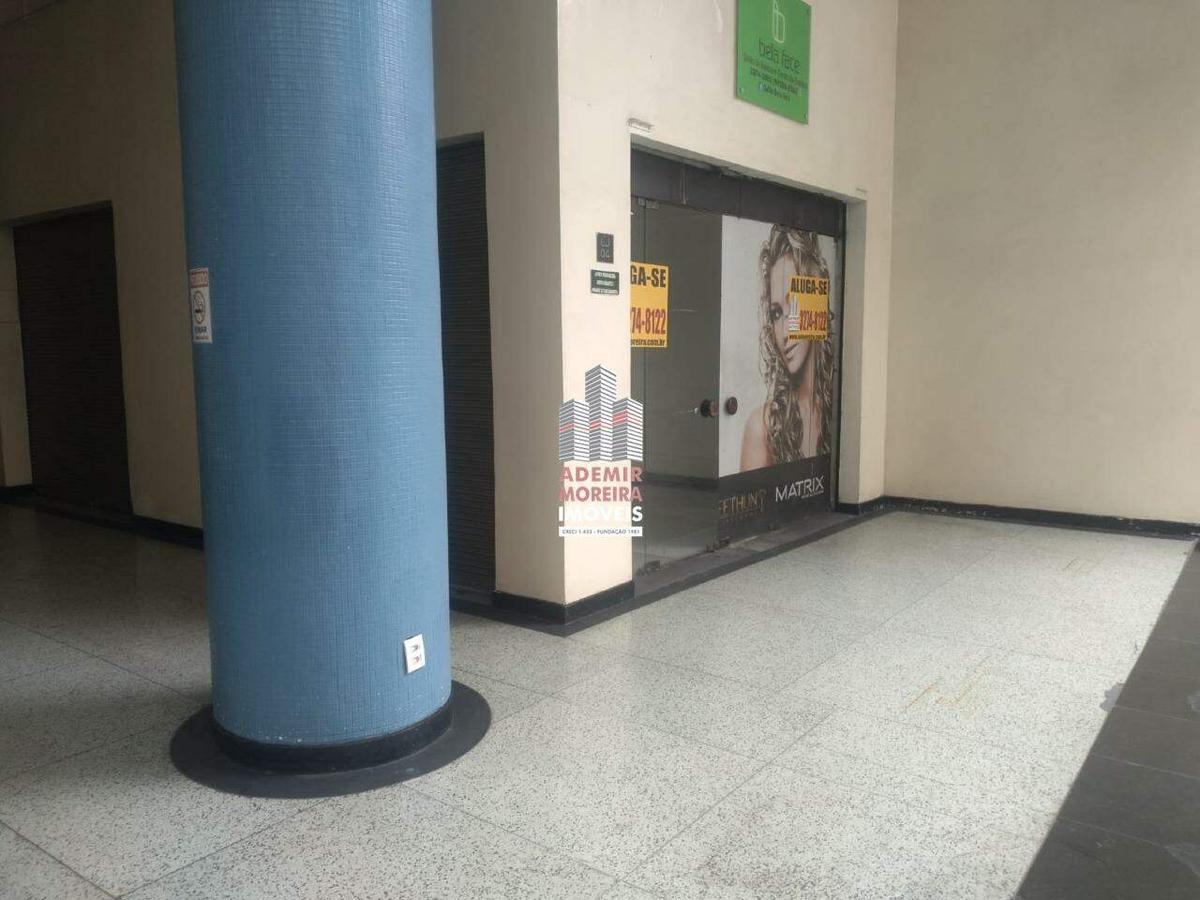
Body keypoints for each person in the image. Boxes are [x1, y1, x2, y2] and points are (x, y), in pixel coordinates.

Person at [740, 225, 836, 471]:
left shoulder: (835, 409)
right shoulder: (762, 427)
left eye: (794, 306)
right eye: (776, 313)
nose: (784, 332)